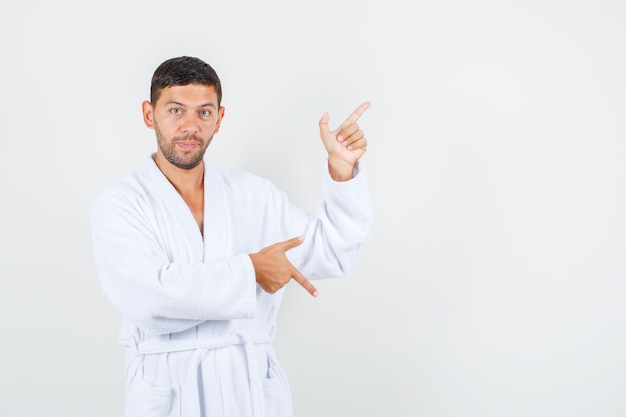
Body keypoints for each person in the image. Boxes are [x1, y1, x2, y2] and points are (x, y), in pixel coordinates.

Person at [89, 55, 373, 417]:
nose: (190, 126)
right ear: (149, 114)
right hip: (170, 391)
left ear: (220, 119)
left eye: (204, 112)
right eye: (176, 111)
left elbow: (331, 251)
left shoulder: (256, 196)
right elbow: (149, 298)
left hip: (251, 388)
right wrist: (251, 271)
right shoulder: (120, 205)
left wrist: (341, 171)